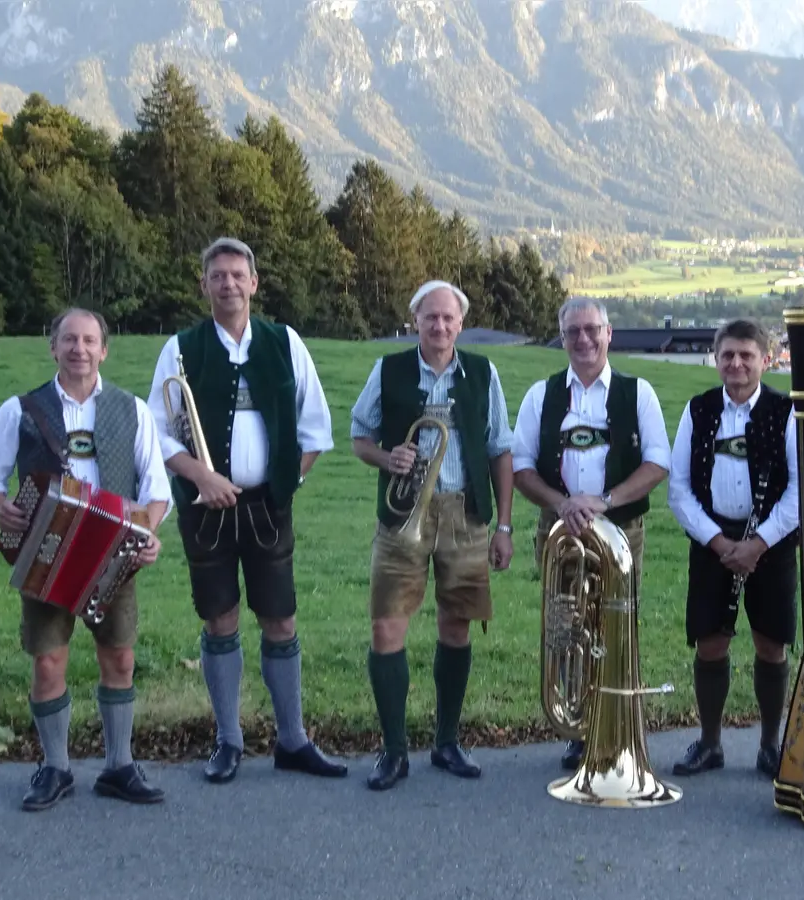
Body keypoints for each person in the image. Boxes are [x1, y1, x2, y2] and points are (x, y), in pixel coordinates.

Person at [147, 237, 346, 784]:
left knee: (280, 618)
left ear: (255, 283)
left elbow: (317, 428)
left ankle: (292, 740)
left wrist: (287, 481)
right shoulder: (181, 347)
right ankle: (228, 741)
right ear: (204, 284)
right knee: (220, 619)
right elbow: (159, 434)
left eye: (239, 275)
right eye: (219, 275)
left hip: (268, 507)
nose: (229, 283)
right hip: (204, 509)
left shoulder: (285, 342)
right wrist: (201, 477)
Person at [0, 308, 171, 810]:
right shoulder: (21, 409)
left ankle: (119, 765)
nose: (79, 349)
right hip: (47, 552)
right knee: (48, 660)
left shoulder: (133, 409)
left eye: (89, 340)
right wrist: (0, 507)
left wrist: (149, 532)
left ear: (104, 349)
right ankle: (55, 767)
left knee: (120, 657)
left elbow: (157, 489)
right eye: (68, 340)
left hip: (112, 554)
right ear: (52, 347)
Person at [351, 280, 516, 791]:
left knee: (457, 626)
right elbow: (360, 435)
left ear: (460, 324)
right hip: (402, 515)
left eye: (448, 318)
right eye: (430, 317)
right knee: (387, 627)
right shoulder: (389, 369)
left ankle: (446, 742)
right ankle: (394, 750)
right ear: (415, 320)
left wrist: (504, 525)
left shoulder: (483, 373)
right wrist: (386, 456)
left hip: (465, 513)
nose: (439, 326)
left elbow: (499, 449)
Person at [511, 297, 671, 771]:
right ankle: (580, 728)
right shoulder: (541, 395)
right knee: (569, 628)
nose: (583, 339)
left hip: (620, 529)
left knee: (617, 627)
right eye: (572, 331)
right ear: (562, 338)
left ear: (608, 333)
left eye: (591, 330)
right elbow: (520, 467)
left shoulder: (636, 391)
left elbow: (657, 461)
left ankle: (621, 726)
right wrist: (563, 504)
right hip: (560, 529)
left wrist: (604, 502)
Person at [666, 318, 799, 780]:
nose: (737, 363)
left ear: (765, 360)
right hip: (714, 545)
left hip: (772, 546)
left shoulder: (786, 412)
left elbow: (802, 492)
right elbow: (678, 489)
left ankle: (768, 744)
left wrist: (758, 543)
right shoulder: (698, 409)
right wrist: (721, 542)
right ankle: (710, 743)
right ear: (716, 358)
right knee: (710, 643)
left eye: (747, 355)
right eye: (728, 355)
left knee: (771, 645)